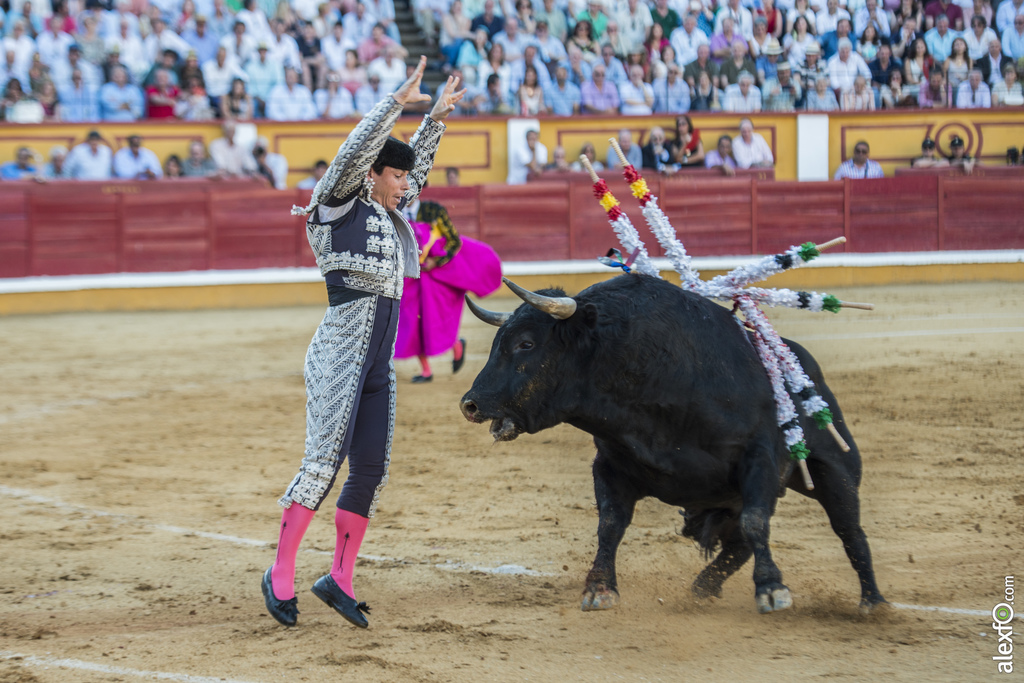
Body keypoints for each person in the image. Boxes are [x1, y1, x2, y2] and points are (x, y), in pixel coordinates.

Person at [264, 57, 465, 630]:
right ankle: (280, 572)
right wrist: (394, 105)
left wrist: (435, 120)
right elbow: (354, 153)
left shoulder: (388, 208)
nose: (408, 186)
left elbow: (417, 166)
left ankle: (340, 578)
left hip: (378, 360)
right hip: (340, 352)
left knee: (371, 466)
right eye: (398, 177)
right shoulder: (335, 206)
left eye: (406, 179)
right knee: (324, 462)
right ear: (373, 174)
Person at [396, 200, 502, 382]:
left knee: (433, 318)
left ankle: (455, 344)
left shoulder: (433, 210)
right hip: (408, 276)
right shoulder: (393, 209)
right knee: (411, 320)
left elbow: (454, 241)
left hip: (433, 276)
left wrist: (436, 262)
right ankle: (426, 371)